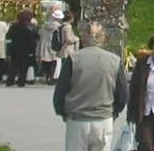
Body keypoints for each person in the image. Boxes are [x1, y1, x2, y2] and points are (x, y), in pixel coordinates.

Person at [54, 21, 128, 151]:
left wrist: (62, 111)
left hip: (78, 119)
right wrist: (113, 112)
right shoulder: (114, 61)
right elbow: (122, 95)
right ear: (103, 38)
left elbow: (60, 92)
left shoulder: (73, 59)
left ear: (83, 37)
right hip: (104, 119)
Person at [7, 9, 38, 87]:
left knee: (14, 65)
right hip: (26, 49)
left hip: (14, 48)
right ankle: (21, 81)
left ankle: (10, 80)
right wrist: (32, 50)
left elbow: (8, 36)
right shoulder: (30, 27)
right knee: (23, 66)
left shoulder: (13, 27)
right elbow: (33, 39)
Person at [40, 9, 63, 84]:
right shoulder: (58, 27)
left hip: (45, 44)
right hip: (53, 45)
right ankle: (51, 77)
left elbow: (40, 34)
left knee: (47, 61)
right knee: (54, 61)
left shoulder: (44, 25)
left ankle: (47, 77)